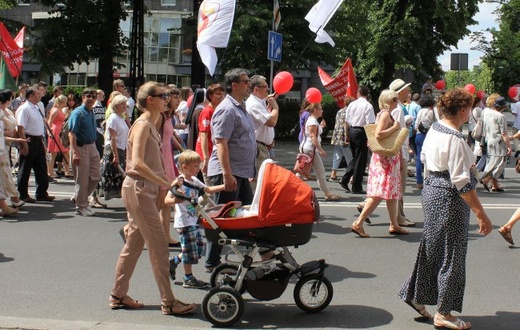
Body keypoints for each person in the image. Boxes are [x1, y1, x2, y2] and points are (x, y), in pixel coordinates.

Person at [399, 88, 492, 330]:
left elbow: (423, 160)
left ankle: (417, 296)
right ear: (462, 110)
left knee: (432, 248)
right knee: (452, 255)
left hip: (431, 189)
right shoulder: (455, 138)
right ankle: (444, 313)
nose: (470, 112)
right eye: (469, 108)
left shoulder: (436, 127)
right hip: (449, 196)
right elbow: (462, 181)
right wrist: (481, 214)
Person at [110, 81, 196, 316]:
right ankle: (168, 301)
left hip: (144, 189)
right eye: (163, 95)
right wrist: (166, 183)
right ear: (150, 99)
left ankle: (117, 294)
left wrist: (168, 183)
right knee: (159, 245)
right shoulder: (143, 125)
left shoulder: (152, 123)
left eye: (167, 95)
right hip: (139, 189)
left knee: (134, 245)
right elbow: (136, 162)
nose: (167, 98)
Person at [205, 68, 256, 272]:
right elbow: (221, 144)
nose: (249, 85)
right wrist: (227, 174)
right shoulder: (227, 109)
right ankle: (212, 261)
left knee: (247, 214)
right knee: (222, 218)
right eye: (246, 82)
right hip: (229, 172)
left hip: (240, 172)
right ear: (234, 85)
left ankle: (248, 255)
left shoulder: (240, 106)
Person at [350, 90, 408, 238]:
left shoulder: (384, 114)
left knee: (390, 194)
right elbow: (379, 134)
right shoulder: (385, 114)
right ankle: (358, 222)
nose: (397, 101)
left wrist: (400, 157)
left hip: (387, 158)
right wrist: (395, 127)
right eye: (394, 99)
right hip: (385, 160)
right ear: (388, 101)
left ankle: (394, 224)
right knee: (379, 193)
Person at [167, 150, 225, 288]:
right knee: (189, 251)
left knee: (197, 248)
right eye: (195, 166)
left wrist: (224, 186)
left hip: (194, 220)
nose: (198, 169)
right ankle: (188, 278)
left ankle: (174, 261)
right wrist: (176, 199)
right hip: (184, 222)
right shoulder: (179, 182)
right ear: (184, 166)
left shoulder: (194, 180)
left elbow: (207, 190)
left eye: (199, 166)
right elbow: (166, 200)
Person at [15, 85, 55, 203]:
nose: (40, 95)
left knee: (41, 167)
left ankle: (42, 193)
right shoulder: (25, 108)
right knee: (25, 168)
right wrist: (24, 144)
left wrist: (42, 142)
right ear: (31, 96)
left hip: (38, 139)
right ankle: (22, 194)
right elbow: (20, 128)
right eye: (38, 94)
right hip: (28, 139)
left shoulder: (36, 107)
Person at [68, 89, 102, 216]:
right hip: (81, 147)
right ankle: (81, 206)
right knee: (82, 179)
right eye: (88, 96)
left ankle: (79, 197)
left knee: (96, 175)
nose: (91, 99)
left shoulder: (91, 112)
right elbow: (71, 133)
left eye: (93, 96)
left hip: (92, 146)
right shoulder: (78, 113)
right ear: (83, 97)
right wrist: (75, 152)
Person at [300, 102, 342, 201]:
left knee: (302, 171)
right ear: (315, 110)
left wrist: (321, 127)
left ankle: (289, 190)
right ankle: (327, 194)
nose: (322, 111)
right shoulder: (313, 122)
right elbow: (312, 136)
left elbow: (313, 134)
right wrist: (320, 150)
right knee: (319, 171)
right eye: (320, 109)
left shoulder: (313, 121)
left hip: (308, 148)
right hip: (311, 150)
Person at [389, 79, 416, 227]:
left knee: (391, 186)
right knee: (399, 187)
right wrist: (401, 155)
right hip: (400, 152)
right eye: (406, 90)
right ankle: (399, 218)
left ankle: (365, 205)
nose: (408, 92)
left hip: (397, 151)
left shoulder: (394, 107)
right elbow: (398, 133)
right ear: (399, 92)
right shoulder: (398, 109)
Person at [340, 85, 375, 194]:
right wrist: (371, 138)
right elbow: (370, 123)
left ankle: (345, 179)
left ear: (358, 93)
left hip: (352, 130)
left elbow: (347, 121)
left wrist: (347, 135)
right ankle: (356, 186)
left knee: (356, 157)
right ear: (367, 94)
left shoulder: (352, 104)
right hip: (361, 131)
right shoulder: (368, 106)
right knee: (361, 160)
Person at [245, 75, 279, 189]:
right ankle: (255, 205)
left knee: (263, 178)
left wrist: (268, 103)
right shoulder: (254, 104)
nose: (268, 90)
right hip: (258, 147)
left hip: (263, 146)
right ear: (256, 89)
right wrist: (275, 108)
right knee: (258, 180)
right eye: (265, 87)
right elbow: (271, 121)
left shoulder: (259, 102)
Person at [0, 89, 27, 209]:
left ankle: (13, 198)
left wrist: (16, 138)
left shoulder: (8, 112)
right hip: (2, 145)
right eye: (11, 97)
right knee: (4, 174)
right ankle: (12, 199)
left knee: (6, 174)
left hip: (5, 145)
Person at [99, 94, 129, 200]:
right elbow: (112, 138)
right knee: (108, 175)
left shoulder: (122, 117)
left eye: (125, 104)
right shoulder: (113, 118)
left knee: (119, 175)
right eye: (122, 104)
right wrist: (115, 155)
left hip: (121, 149)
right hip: (112, 150)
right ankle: (92, 195)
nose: (125, 106)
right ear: (115, 106)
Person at [196, 83, 225, 184]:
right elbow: (203, 135)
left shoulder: (218, 110)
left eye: (222, 93)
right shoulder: (207, 112)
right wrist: (206, 158)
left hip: (214, 153)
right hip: (207, 154)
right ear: (210, 96)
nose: (221, 96)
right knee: (210, 188)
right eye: (218, 94)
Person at [480, 96, 511, 192]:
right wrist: (509, 146)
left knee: (491, 161)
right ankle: (486, 179)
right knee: (501, 162)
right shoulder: (500, 116)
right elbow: (504, 133)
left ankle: (491, 181)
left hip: (489, 140)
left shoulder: (488, 114)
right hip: (498, 141)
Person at [328, 96, 355, 182]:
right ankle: (352, 176)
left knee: (337, 155)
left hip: (337, 136)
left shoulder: (339, 111)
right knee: (349, 157)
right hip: (344, 136)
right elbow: (346, 125)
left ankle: (333, 174)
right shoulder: (349, 112)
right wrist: (347, 136)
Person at [46, 94, 72, 179]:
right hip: (56, 131)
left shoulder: (59, 110)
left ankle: (67, 171)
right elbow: (49, 123)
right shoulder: (55, 110)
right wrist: (49, 133)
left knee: (65, 152)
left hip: (61, 131)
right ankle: (50, 172)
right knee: (54, 153)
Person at [414, 94, 436, 189]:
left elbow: (416, 125)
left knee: (419, 158)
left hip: (418, 135)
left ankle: (419, 180)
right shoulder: (430, 112)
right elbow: (429, 125)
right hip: (426, 136)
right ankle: (427, 179)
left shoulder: (420, 111)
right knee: (428, 158)